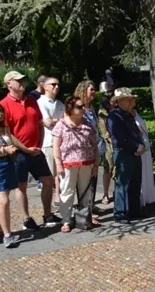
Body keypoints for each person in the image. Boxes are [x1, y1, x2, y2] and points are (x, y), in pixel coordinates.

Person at [1, 71, 59, 230]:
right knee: (22, 186)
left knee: (48, 181)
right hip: (19, 153)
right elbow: (7, 132)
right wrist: (25, 149)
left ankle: (47, 214)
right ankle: (26, 218)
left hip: (36, 149)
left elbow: (39, 123)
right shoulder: (4, 104)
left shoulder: (31, 100)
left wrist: (38, 146)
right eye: (18, 81)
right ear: (9, 84)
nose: (22, 83)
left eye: (23, 80)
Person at [51, 97, 100, 232]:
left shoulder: (87, 124)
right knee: (67, 192)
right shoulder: (61, 125)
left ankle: (84, 218)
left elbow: (94, 145)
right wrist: (58, 164)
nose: (83, 108)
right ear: (70, 109)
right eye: (79, 107)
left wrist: (96, 164)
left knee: (86, 193)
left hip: (87, 163)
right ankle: (66, 220)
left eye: (83, 106)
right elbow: (56, 147)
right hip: (68, 164)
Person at [0, 106, 40, 247]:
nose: (0, 114)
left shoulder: (4, 128)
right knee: (4, 201)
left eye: (1, 112)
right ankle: (7, 234)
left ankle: (2, 230)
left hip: (8, 163)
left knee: (3, 199)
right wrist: (4, 149)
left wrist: (27, 150)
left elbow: (12, 139)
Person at [106, 88, 146, 223]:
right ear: (119, 101)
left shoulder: (128, 115)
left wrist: (141, 145)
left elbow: (136, 132)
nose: (131, 101)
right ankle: (120, 212)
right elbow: (118, 137)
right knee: (122, 183)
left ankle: (134, 209)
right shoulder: (114, 116)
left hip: (134, 152)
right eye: (128, 99)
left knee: (135, 182)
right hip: (124, 153)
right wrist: (136, 146)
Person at [37, 75, 64, 202]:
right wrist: (60, 120)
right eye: (53, 84)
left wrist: (55, 121)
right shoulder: (40, 102)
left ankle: (58, 197)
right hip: (48, 142)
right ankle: (49, 204)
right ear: (45, 87)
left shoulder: (60, 104)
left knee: (60, 172)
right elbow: (47, 122)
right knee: (49, 175)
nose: (56, 87)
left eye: (58, 84)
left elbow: (67, 121)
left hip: (62, 141)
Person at [132, 103, 155, 207]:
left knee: (147, 173)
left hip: (145, 146)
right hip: (138, 148)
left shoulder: (136, 113)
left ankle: (149, 198)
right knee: (141, 175)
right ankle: (141, 200)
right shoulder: (126, 116)